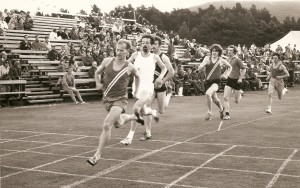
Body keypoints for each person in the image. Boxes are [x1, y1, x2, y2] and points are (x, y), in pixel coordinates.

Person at [86, 39, 142, 166]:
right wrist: (98, 82)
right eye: (117, 49)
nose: (119, 52)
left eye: (122, 50)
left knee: (107, 125)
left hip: (120, 100)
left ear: (127, 51)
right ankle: (134, 117)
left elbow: (138, 77)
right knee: (118, 123)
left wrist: (136, 92)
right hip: (107, 99)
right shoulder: (107, 61)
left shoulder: (130, 66)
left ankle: (97, 155)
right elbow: (97, 72)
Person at [120, 35, 167, 145]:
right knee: (142, 111)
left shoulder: (155, 57)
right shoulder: (135, 55)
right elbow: (126, 64)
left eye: (147, 43)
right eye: (143, 42)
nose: (144, 44)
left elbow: (164, 68)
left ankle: (129, 137)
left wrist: (160, 77)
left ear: (151, 45)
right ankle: (152, 112)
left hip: (148, 88)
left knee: (136, 108)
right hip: (136, 87)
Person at [139, 36, 174, 141]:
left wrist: (162, 81)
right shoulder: (147, 56)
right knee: (147, 105)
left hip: (160, 86)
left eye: (155, 44)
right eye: (152, 44)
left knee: (162, 110)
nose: (153, 46)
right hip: (149, 86)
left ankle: (169, 95)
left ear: (159, 46)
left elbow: (171, 72)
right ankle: (148, 132)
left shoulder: (163, 57)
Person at [198, 44, 232, 121]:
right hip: (208, 82)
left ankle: (209, 113)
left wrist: (226, 75)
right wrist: (201, 66)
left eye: (216, 51)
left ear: (219, 52)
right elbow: (200, 66)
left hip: (216, 82)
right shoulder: (207, 58)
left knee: (208, 93)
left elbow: (230, 67)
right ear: (211, 51)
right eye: (213, 51)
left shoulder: (221, 60)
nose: (214, 52)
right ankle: (221, 108)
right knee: (215, 99)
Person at [222, 45, 246, 120]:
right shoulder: (228, 60)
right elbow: (228, 69)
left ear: (234, 52)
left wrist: (240, 78)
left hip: (237, 81)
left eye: (231, 51)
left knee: (236, 101)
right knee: (225, 97)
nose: (229, 52)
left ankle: (240, 93)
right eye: (228, 50)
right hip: (229, 80)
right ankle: (227, 114)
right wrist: (224, 74)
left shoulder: (237, 60)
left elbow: (244, 69)